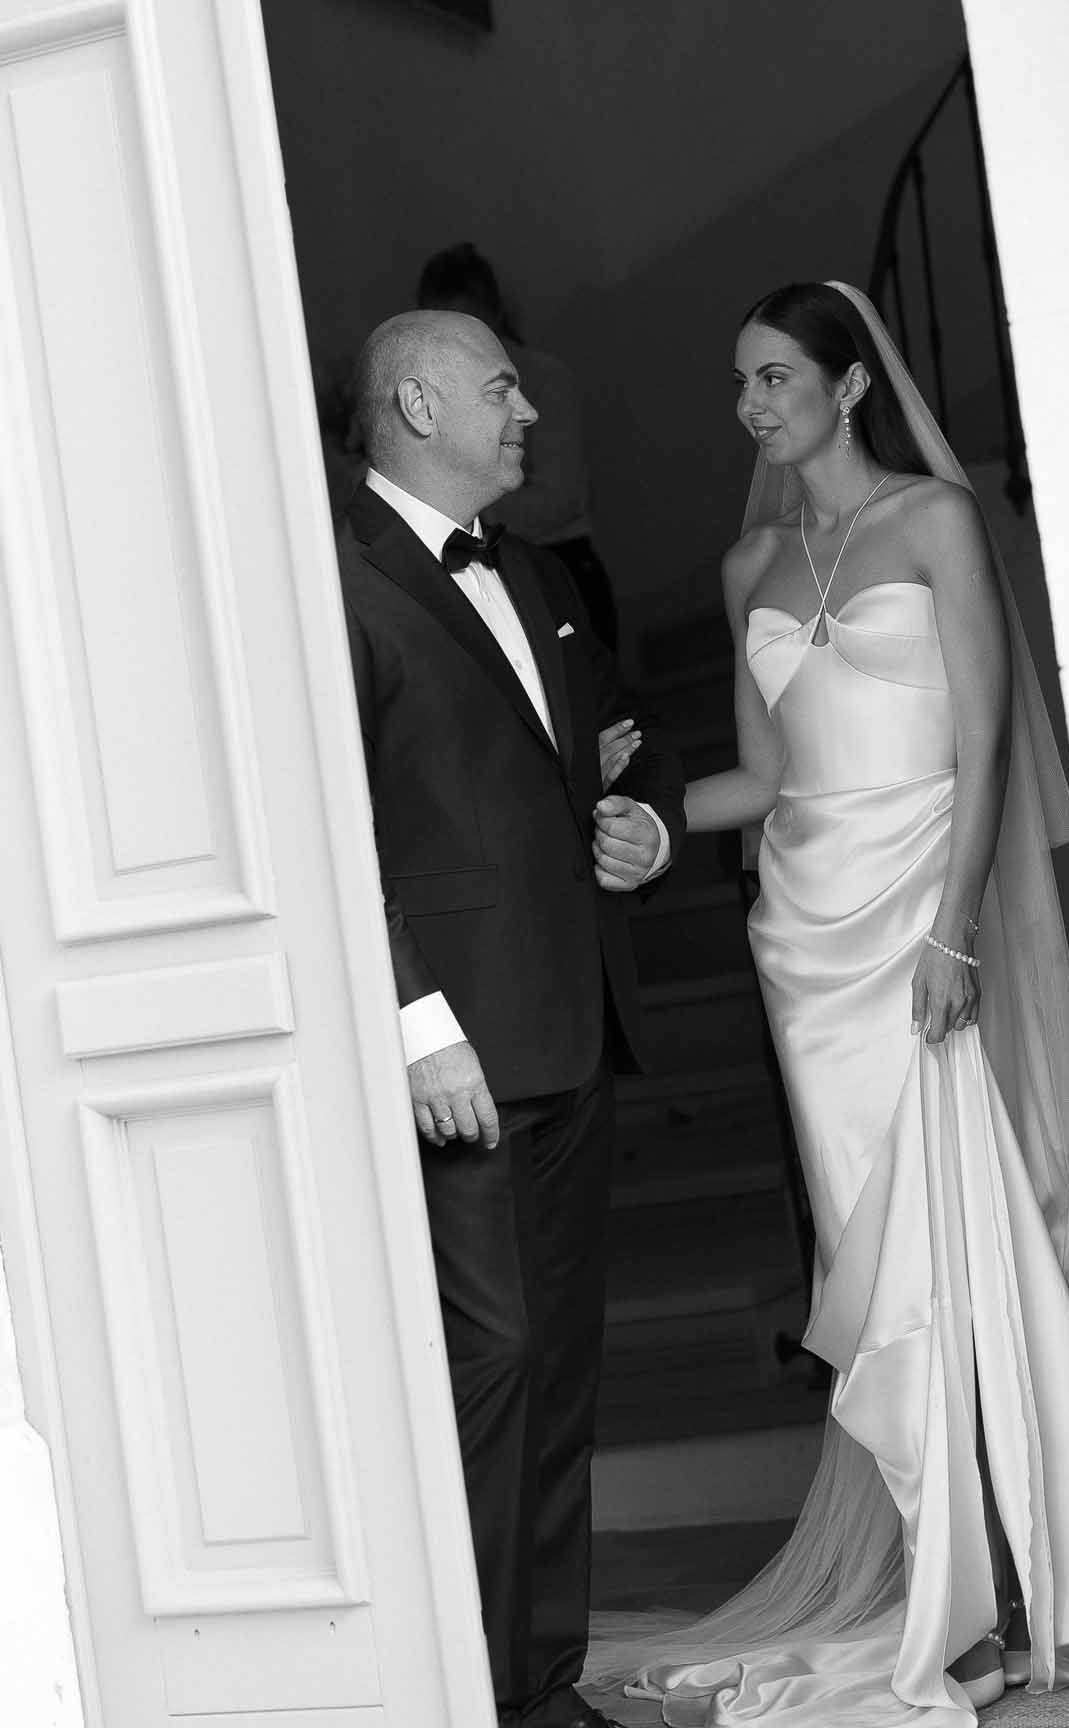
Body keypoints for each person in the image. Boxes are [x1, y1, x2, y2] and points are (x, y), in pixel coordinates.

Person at [588, 282, 1069, 1726]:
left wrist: (955, 930)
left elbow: (986, 745)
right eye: (740, 381)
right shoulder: (748, 565)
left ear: (847, 386)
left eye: (774, 376)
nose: (749, 406)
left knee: (968, 1226)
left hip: (922, 910)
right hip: (806, 941)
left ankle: (1030, 1573)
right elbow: (764, 777)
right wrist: (643, 819)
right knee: (872, 1255)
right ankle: (947, 1583)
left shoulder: (934, 521)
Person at [337, 309, 685, 1728]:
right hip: (456, 1054)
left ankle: (540, 1692)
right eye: (500, 388)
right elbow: (332, 822)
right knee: (491, 1369)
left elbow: (621, 739)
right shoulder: (332, 574)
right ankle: (468, 1697)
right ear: (420, 404)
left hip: (569, 1027)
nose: (527, 410)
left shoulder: (535, 569)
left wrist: (643, 828)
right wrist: (414, 1018)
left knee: (562, 1373)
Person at [417, 243, 621, 648]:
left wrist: (462, 507)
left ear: (493, 313)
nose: (453, 341)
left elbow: (562, 497)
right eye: (437, 330)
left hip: (558, 566)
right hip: (485, 578)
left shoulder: (545, 380)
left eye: (465, 322)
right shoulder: (433, 399)